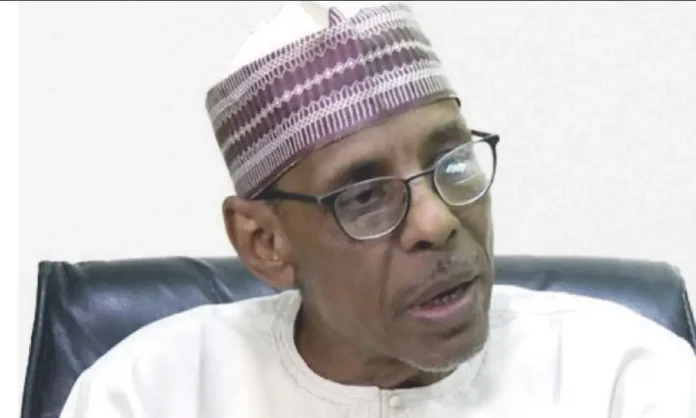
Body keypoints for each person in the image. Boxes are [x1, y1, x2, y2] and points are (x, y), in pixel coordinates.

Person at [59, 1, 696, 417]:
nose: (436, 221)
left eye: (452, 163)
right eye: (365, 196)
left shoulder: (625, 379)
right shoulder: (147, 394)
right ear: (264, 242)